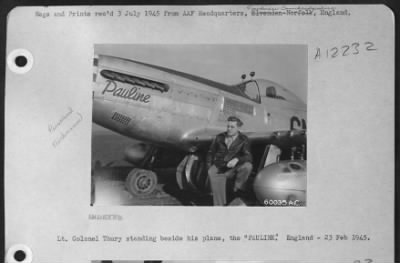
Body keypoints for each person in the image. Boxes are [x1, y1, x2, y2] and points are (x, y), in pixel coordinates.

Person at [206, 116, 253, 206]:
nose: (229, 129)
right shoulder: (219, 137)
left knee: (248, 165)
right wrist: (208, 167)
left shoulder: (243, 139)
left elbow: (248, 156)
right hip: (219, 164)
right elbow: (210, 153)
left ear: (238, 128)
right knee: (213, 174)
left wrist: (237, 159)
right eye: (228, 126)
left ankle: (237, 190)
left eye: (232, 127)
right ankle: (220, 203)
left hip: (232, 167)